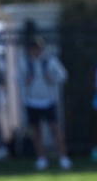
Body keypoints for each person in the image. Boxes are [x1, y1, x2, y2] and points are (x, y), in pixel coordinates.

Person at [20, 37, 71, 171]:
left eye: (37, 48)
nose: (35, 51)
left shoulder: (50, 61)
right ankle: (41, 158)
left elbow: (63, 75)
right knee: (36, 131)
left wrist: (52, 78)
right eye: (33, 48)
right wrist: (26, 80)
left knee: (55, 129)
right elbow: (17, 78)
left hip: (48, 101)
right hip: (32, 101)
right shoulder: (25, 62)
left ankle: (63, 158)